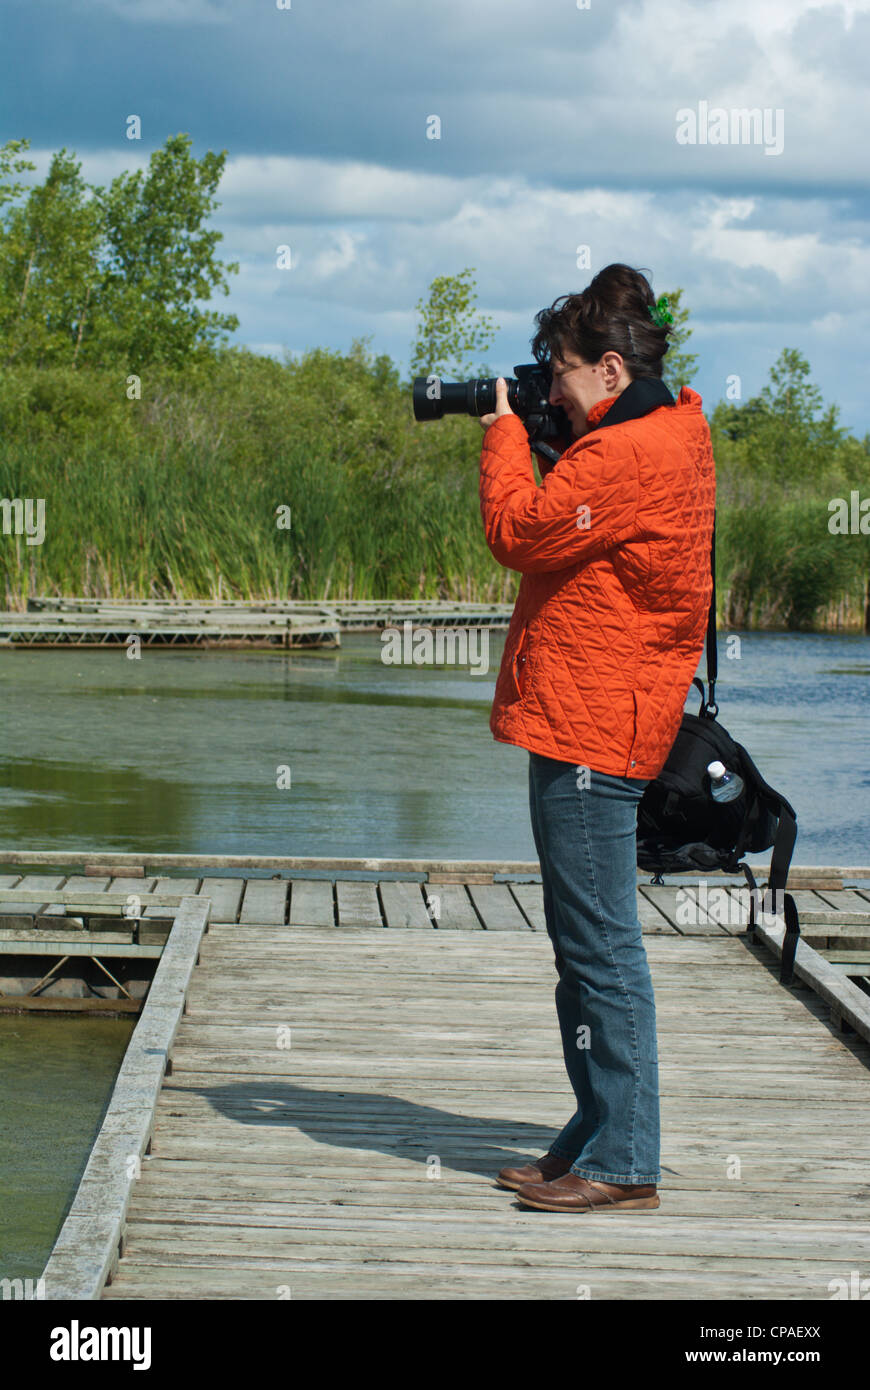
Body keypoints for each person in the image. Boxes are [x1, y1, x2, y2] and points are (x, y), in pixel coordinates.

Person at [477, 263, 715, 1213]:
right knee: (586, 946)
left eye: (564, 375)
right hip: (604, 711)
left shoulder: (623, 456)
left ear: (611, 372)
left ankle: (625, 1160)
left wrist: (504, 434)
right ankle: (594, 1133)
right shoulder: (673, 430)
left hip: (591, 725)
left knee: (602, 947)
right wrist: (551, 432)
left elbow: (516, 530)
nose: (555, 393)